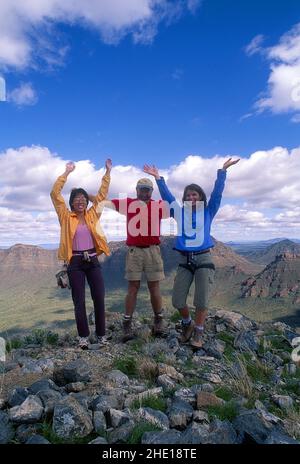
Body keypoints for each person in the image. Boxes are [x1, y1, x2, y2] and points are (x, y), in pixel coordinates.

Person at [143, 158, 240, 349]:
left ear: (200, 197)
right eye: (188, 195)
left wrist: (222, 171)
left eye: (194, 195)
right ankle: (187, 324)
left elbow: (218, 194)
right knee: (178, 300)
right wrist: (158, 178)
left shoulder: (209, 210)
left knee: (201, 300)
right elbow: (168, 198)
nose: (191, 198)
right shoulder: (179, 212)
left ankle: (199, 331)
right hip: (184, 259)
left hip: (204, 258)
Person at [93, 177, 169, 342]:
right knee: (132, 287)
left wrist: (160, 180)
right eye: (141, 189)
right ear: (136, 190)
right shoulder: (128, 203)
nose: (144, 192)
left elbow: (174, 206)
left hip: (153, 251)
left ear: (151, 192)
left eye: (147, 189)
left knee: (154, 287)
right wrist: (86, 196)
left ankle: (159, 320)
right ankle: (127, 322)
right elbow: (106, 203)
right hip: (134, 252)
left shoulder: (158, 206)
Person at [50, 159, 112, 349]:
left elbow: (101, 197)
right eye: (77, 199)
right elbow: (54, 193)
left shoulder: (93, 214)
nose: (80, 201)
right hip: (75, 261)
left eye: (83, 199)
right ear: (71, 202)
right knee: (79, 300)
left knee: (99, 297)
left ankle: (101, 335)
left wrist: (107, 173)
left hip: (92, 259)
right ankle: (83, 338)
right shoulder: (65, 216)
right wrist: (66, 173)